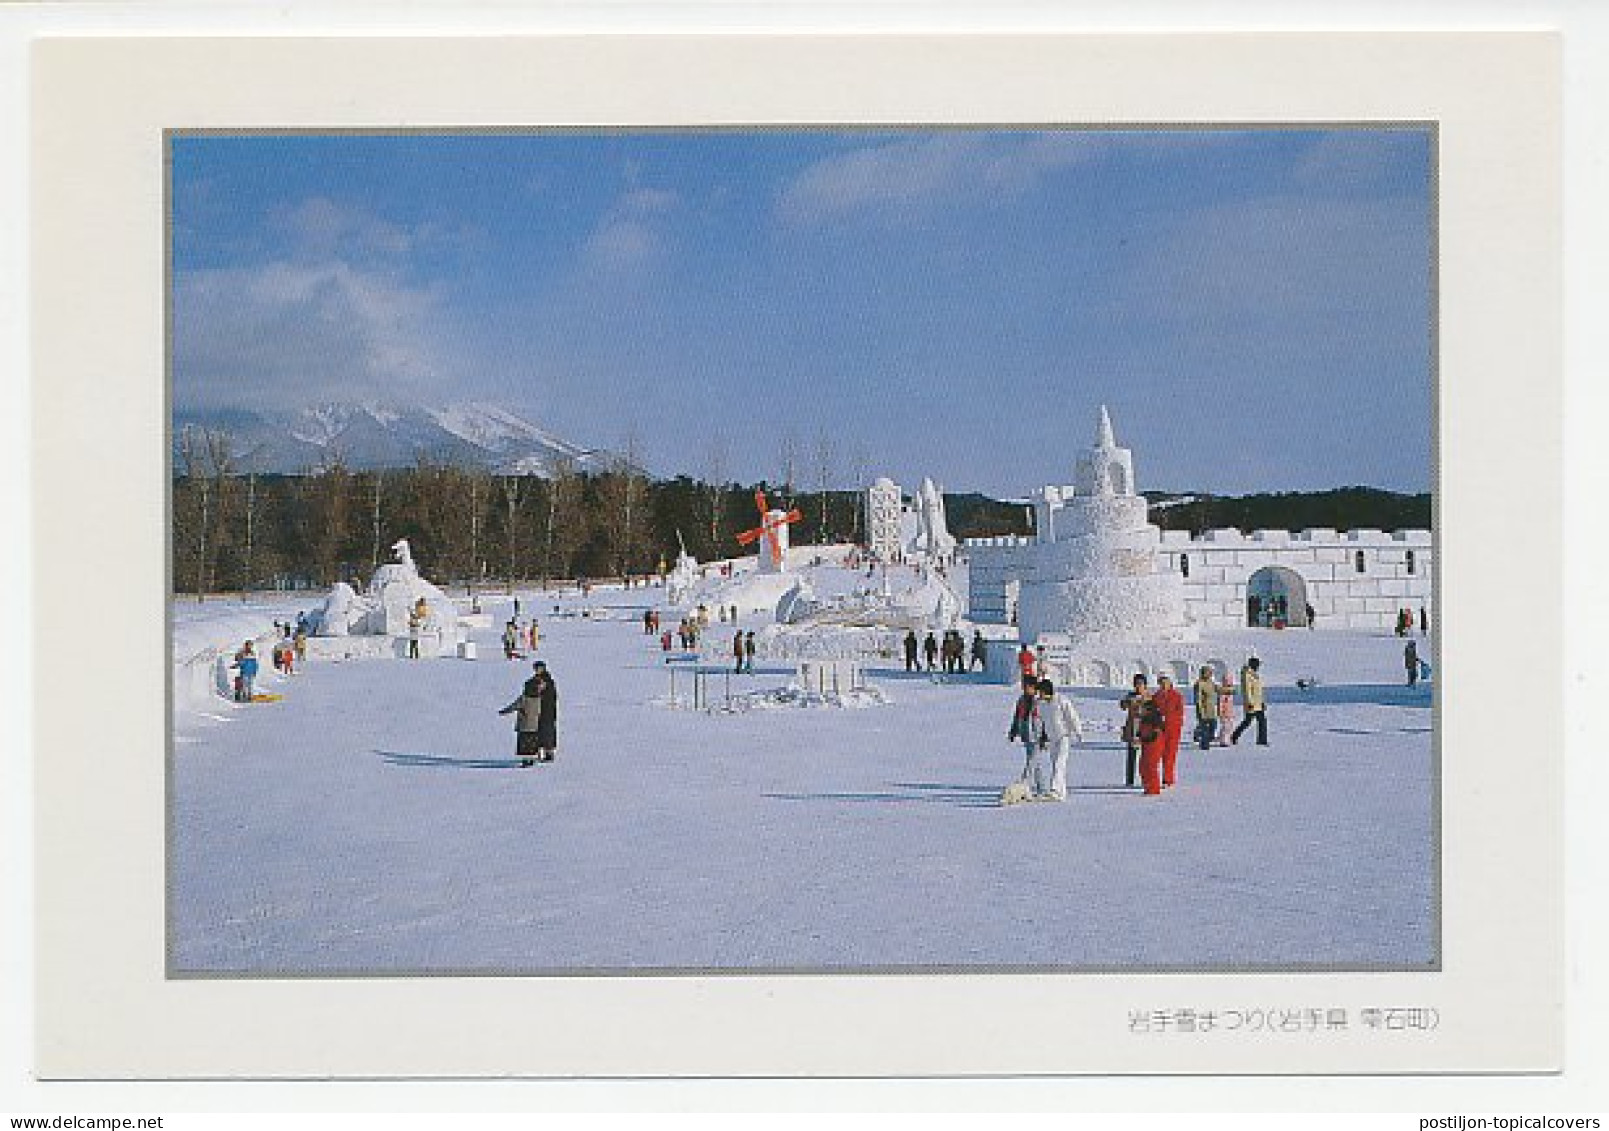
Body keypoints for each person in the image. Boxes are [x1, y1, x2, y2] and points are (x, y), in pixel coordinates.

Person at [498, 661, 558, 767]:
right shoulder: (535, 683)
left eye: (538, 668)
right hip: (538, 714)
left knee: (544, 734)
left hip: (546, 712)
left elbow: (550, 698)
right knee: (537, 735)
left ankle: (547, 753)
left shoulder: (547, 682)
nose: (536, 670)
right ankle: (539, 754)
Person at [1006, 676, 1052, 800]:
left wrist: (1045, 737)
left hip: (1036, 737)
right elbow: (1017, 717)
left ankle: (1023, 784)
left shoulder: (1039, 702)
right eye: (1024, 686)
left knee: (1031, 762)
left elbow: (1045, 720)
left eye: (1028, 687)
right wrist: (1013, 731)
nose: (1025, 689)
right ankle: (1042, 789)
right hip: (1026, 735)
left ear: (1034, 688)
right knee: (1035, 763)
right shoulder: (1021, 700)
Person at [1037, 679, 1083, 801]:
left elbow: (1072, 716)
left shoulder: (1061, 701)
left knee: (1059, 763)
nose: (1039, 695)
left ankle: (1055, 790)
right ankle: (1061, 792)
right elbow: (1043, 722)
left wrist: (1078, 731)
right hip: (1052, 739)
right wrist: (1043, 738)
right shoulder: (1041, 705)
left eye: (1040, 692)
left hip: (1063, 737)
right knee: (1055, 765)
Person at [1152, 673, 1186, 788]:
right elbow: (1153, 710)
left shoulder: (1176, 696)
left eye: (1165, 683)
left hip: (1173, 729)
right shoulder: (1156, 696)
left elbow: (1180, 711)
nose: (1163, 685)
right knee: (1158, 754)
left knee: (1170, 754)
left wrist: (1176, 722)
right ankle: (1155, 778)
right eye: (1161, 683)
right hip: (1160, 729)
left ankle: (1168, 778)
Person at [1119, 674, 1151, 788]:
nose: (1138, 687)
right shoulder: (1130, 696)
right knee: (1131, 755)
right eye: (1136, 684)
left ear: (1145, 685)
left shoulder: (1149, 697)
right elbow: (1122, 705)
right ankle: (1130, 780)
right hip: (1132, 729)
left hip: (1145, 729)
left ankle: (1146, 779)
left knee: (1146, 757)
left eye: (1140, 684)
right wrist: (1128, 702)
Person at [1230, 657, 1268, 745]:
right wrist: (1249, 702)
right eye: (1257, 664)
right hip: (1252, 703)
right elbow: (1247, 690)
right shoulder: (1247, 674)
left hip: (1258, 703)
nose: (1258, 667)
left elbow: (1258, 690)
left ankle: (1262, 740)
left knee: (1262, 721)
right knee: (1247, 721)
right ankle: (1234, 736)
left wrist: (1262, 702)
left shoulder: (1254, 674)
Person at [1136, 696, 1167, 797]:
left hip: (1153, 747)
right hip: (1146, 746)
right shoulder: (1144, 718)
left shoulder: (1155, 718)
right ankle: (1148, 786)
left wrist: (1144, 738)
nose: (1141, 710)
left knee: (1150, 767)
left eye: (1143, 708)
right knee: (1143, 766)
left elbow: (1155, 734)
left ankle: (1153, 788)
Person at [1192, 666, 1220, 750]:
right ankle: (1204, 744)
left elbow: (1218, 689)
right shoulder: (1199, 684)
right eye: (1208, 672)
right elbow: (1198, 699)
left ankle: (1197, 733)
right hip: (1203, 709)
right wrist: (1200, 711)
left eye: (1211, 672)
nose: (1210, 674)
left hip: (1211, 708)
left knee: (1213, 725)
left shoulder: (1211, 682)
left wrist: (1229, 691)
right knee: (1204, 727)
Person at [1214, 671, 1235, 747]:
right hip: (1224, 713)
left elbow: (1230, 704)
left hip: (1229, 712)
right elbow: (1220, 703)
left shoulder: (1230, 692)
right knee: (1225, 726)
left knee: (1229, 726)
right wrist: (1220, 712)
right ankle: (1223, 741)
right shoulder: (1222, 692)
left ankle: (1223, 738)